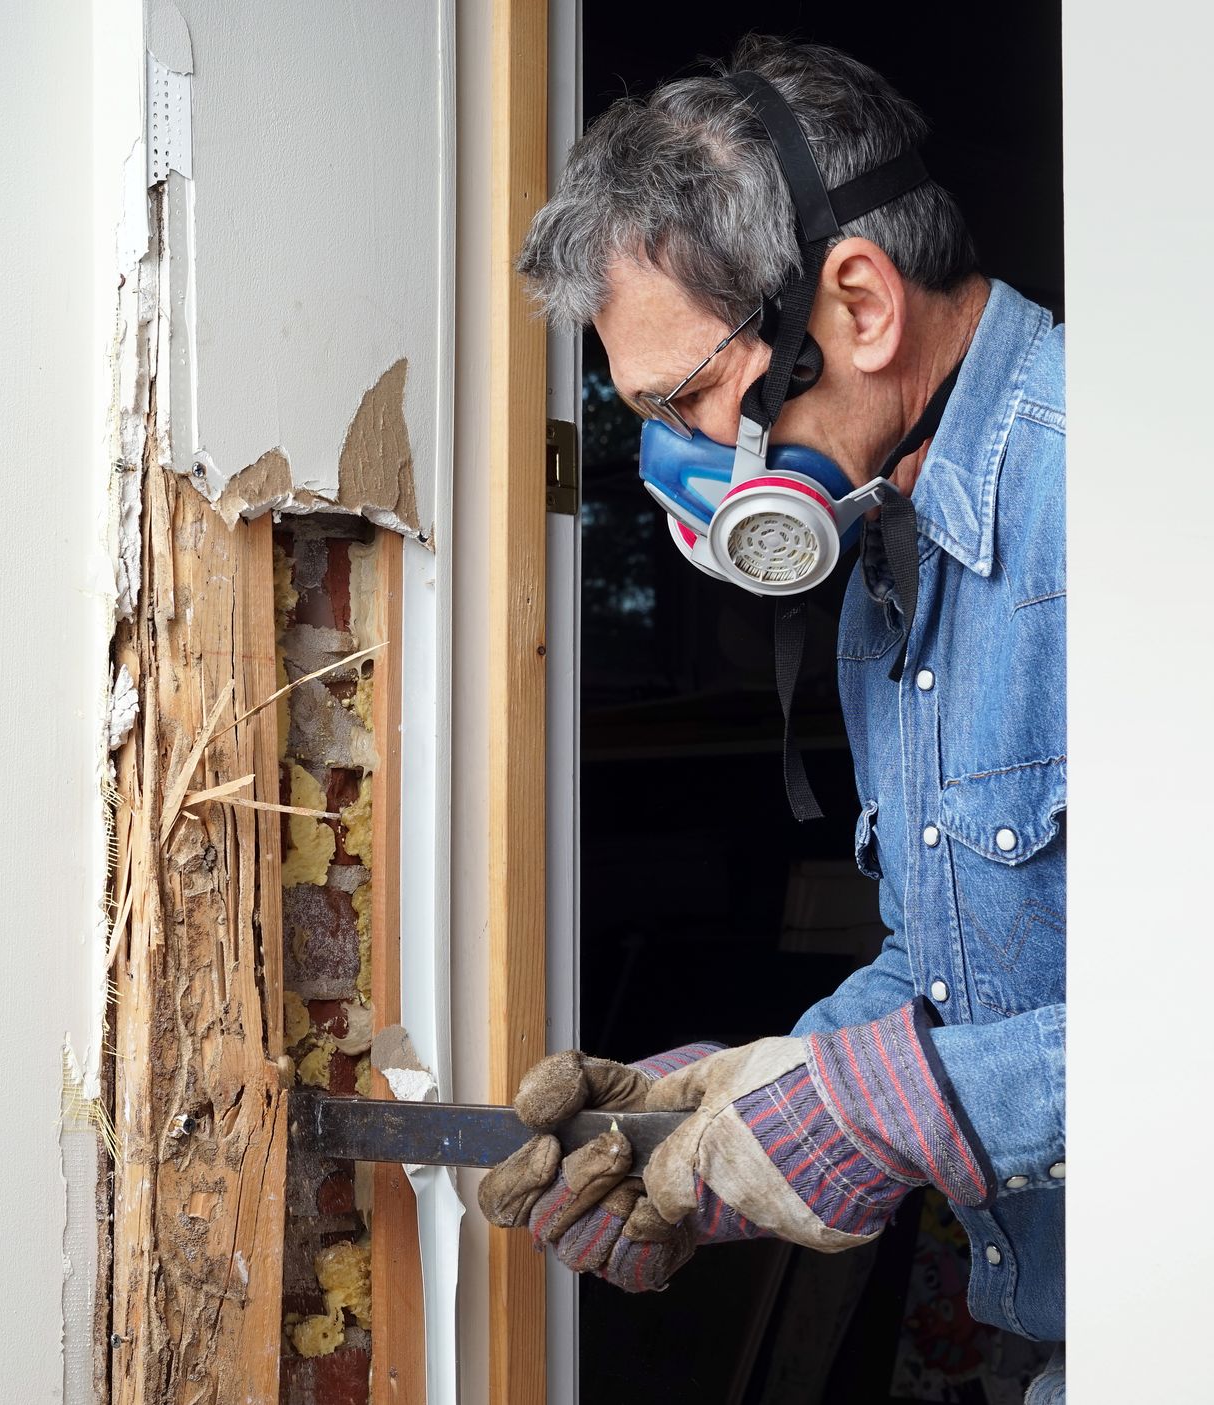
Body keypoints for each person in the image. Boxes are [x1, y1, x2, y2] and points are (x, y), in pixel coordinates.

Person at [479, 36, 1066, 1399]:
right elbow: (957, 973)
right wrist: (739, 1112)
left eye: (685, 397)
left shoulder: (1126, 496)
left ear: (855, 304)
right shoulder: (887, 555)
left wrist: (868, 1113)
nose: (678, 461)